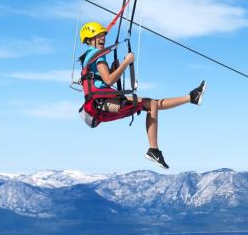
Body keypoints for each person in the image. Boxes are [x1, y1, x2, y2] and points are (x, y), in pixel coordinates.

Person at [79, 21, 206, 169]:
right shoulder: (97, 55)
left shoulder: (90, 56)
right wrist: (126, 62)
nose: (102, 39)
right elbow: (108, 80)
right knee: (151, 104)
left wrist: (115, 68)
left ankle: (192, 97)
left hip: (101, 101)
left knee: (152, 104)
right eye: (98, 36)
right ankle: (153, 150)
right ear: (89, 39)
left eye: (103, 36)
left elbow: (103, 80)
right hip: (102, 102)